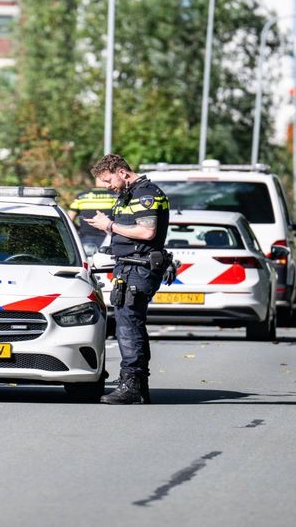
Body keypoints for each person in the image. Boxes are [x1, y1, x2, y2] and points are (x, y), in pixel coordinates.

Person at [83, 154, 170, 405]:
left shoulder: (146, 194)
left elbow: (147, 231)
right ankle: (138, 387)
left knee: (129, 326)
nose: (107, 186)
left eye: (108, 180)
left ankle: (131, 385)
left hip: (138, 269)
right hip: (129, 267)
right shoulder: (129, 194)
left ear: (121, 172)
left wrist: (109, 225)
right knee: (130, 324)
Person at [68, 187, 117, 255]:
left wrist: (78, 229)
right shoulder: (115, 195)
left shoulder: (82, 196)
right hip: (108, 235)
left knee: (87, 259)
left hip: (86, 236)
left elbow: (70, 218)